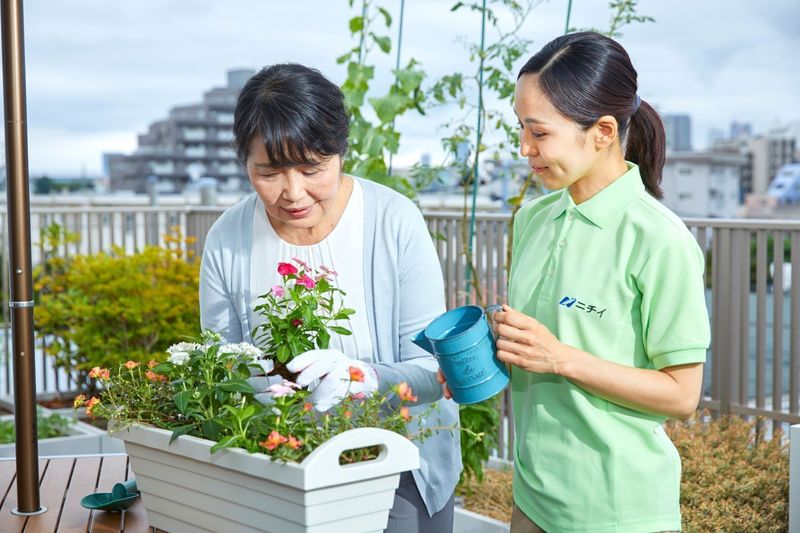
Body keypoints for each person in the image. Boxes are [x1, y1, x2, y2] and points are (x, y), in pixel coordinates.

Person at [439, 31, 710, 532]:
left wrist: (560, 357)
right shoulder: (533, 219)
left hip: (618, 511)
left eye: (539, 133)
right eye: (521, 129)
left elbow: (681, 395)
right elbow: (544, 344)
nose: (524, 149)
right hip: (533, 500)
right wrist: (484, 356)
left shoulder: (660, 240)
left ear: (603, 130)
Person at [199, 63, 460, 533]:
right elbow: (220, 368)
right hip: (280, 462)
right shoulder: (227, 239)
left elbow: (434, 374)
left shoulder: (394, 223)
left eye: (312, 168)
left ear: (341, 152)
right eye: (269, 172)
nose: (293, 192)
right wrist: (252, 386)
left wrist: (361, 377)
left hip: (395, 463)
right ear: (245, 163)